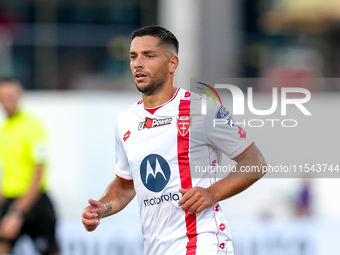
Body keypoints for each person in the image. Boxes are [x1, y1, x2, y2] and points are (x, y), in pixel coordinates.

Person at [82, 26, 266, 255]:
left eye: (148, 56)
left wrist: (212, 193)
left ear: (172, 63)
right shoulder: (126, 121)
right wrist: (103, 208)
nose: (138, 63)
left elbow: (255, 161)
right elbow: (126, 184)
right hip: (156, 248)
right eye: (133, 57)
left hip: (202, 243)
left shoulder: (201, 109)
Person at [0, 78, 60, 255]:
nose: (7, 101)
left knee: (49, 250)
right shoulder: (5, 129)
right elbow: (10, 172)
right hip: (11, 200)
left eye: (11, 96)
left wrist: (17, 213)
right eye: (2, 97)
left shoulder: (33, 127)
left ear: (19, 97)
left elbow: (38, 175)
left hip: (34, 202)